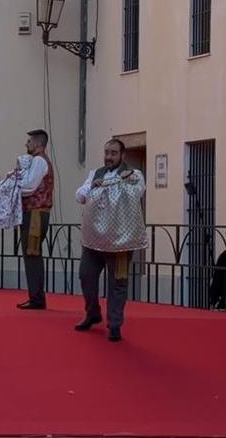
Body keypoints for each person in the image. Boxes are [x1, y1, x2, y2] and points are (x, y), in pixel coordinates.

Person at [74, 139, 147, 342]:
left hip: (120, 241)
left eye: (113, 153)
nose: (109, 156)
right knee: (85, 275)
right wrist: (92, 188)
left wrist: (123, 182)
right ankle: (92, 312)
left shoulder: (134, 175)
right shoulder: (96, 174)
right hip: (94, 238)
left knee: (117, 283)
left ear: (122, 155)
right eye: (107, 152)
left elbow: (139, 192)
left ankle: (114, 324)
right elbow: (79, 196)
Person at [16, 129, 53, 310]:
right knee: (32, 254)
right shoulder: (39, 161)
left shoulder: (39, 160)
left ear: (38, 144)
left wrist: (13, 186)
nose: (27, 144)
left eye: (29, 141)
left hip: (36, 213)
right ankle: (36, 296)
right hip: (36, 213)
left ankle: (37, 298)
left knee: (32, 254)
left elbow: (30, 186)